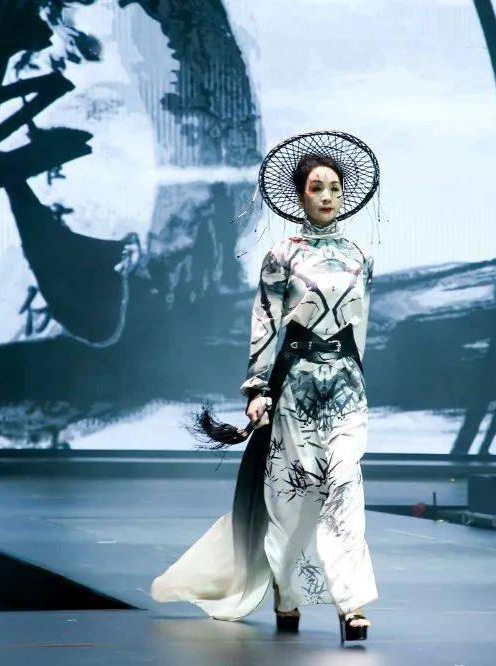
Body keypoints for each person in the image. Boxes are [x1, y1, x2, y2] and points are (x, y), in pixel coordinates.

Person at [150, 131, 381, 643]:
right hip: (295, 388)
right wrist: (258, 389)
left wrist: (357, 381)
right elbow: (265, 322)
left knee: (345, 484)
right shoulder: (282, 255)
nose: (327, 196)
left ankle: (351, 604)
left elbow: (361, 328)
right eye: (317, 187)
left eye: (335, 188)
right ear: (299, 195)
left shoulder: (359, 256)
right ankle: (286, 591)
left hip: (345, 390)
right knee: (292, 497)